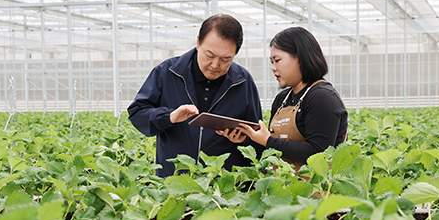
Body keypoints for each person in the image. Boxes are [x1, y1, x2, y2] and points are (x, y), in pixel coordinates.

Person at [127, 14, 263, 177]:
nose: (215, 65)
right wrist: (168, 117)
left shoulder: (243, 81)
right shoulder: (167, 72)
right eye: (209, 55)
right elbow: (137, 113)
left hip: (224, 186)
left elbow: (257, 134)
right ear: (198, 42)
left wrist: (244, 139)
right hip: (175, 182)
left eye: (225, 59)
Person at [220, 26, 347, 170]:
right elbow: (274, 151)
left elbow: (318, 151)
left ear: (300, 58)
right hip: (282, 188)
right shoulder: (282, 99)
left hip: (315, 190)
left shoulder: (322, 97)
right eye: (271, 62)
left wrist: (267, 141)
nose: (273, 68)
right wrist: (246, 140)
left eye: (277, 60)